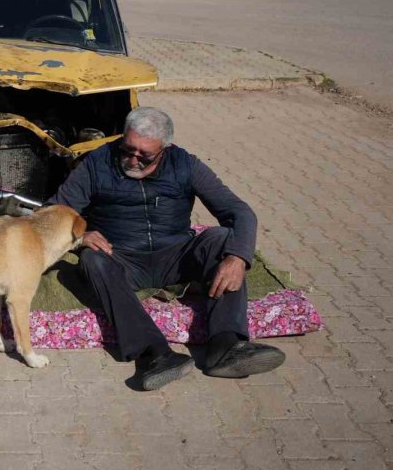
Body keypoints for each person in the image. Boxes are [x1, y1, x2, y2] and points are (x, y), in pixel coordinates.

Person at [48, 107, 285, 390]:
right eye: (128, 150)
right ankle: (154, 355)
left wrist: (238, 257)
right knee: (91, 260)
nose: (133, 159)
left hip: (176, 255)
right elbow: (54, 213)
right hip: (121, 257)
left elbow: (239, 212)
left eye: (144, 155)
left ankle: (226, 346)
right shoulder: (96, 164)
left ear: (165, 149)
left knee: (222, 239)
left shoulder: (185, 164)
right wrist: (81, 235)